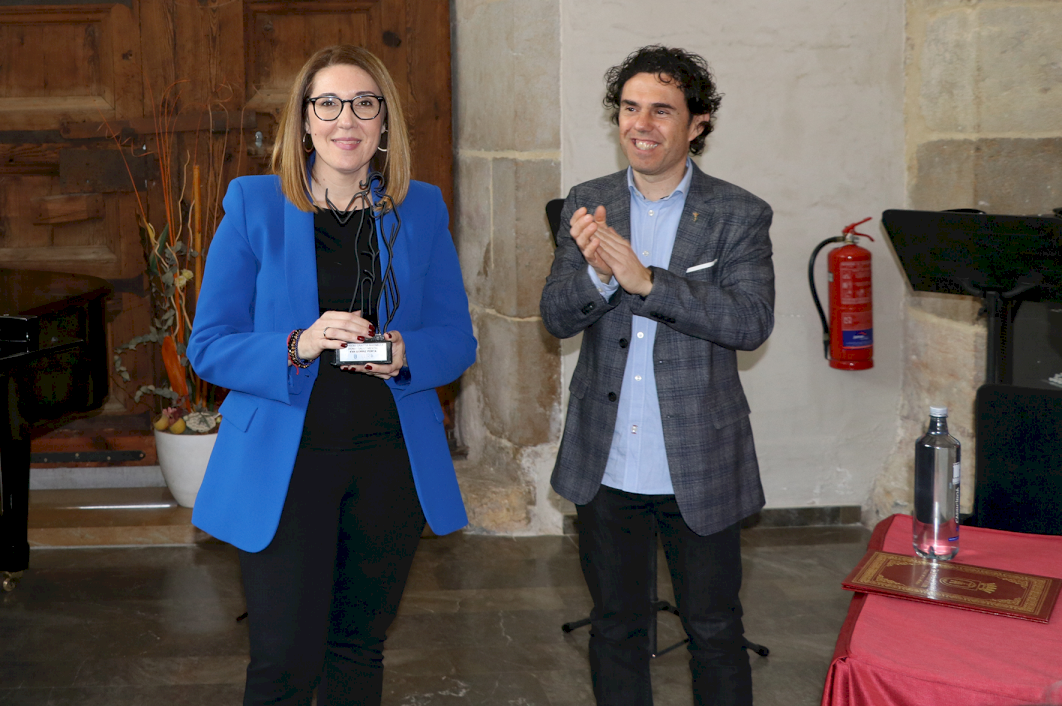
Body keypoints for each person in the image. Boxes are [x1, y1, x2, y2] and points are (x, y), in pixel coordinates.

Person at [187, 44, 476, 706]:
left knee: (358, 651)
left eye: (364, 104)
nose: (347, 119)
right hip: (286, 465)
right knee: (285, 661)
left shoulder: (421, 208)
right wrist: (300, 342)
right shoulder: (256, 205)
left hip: (388, 463)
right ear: (304, 120)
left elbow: (456, 340)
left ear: (384, 121)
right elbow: (209, 346)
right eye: (328, 104)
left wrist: (406, 351)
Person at [539, 45, 775, 706]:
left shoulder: (738, 213)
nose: (640, 124)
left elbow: (750, 321)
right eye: (629, 107)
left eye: (661, 110)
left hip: (698, 461)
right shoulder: (588, 203)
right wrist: (597, 276)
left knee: (715, 630)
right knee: (615, 628)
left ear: (697, 123)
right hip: (607, 459)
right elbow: (555, 317)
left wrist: (648, 283)